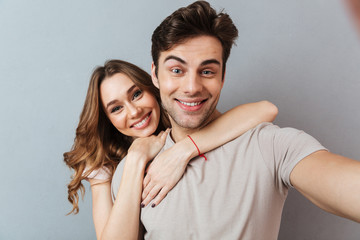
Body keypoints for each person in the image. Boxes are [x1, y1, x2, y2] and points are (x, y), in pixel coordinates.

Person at [111, 1, 360, 239]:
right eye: (177, 70)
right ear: (155, 74)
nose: (191, 87)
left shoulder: (268, 145)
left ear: (223, 76)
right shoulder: (133, 169)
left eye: (207, 71)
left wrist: (185, 150)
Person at [63, 59, 278, 239]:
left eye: (136, 94)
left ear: (152, 86)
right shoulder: (104, 168)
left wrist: (182, 151)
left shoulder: (187, 119)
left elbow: (266, 109)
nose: (134, 111)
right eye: (117, 108)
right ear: (108, 120)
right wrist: (136, 158)